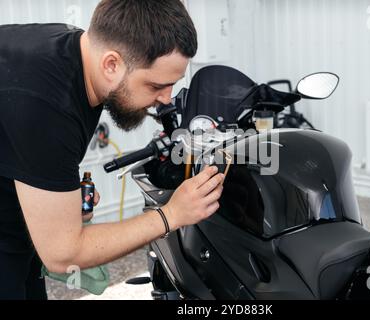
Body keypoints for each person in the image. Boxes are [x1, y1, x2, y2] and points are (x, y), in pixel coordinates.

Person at [0, 0, 224, 300]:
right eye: (157, 85)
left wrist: (57, 191)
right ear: (111, 64)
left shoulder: (79, 55)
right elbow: (63, 254)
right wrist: (172, 214)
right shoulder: (45, 104)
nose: (166, 99)